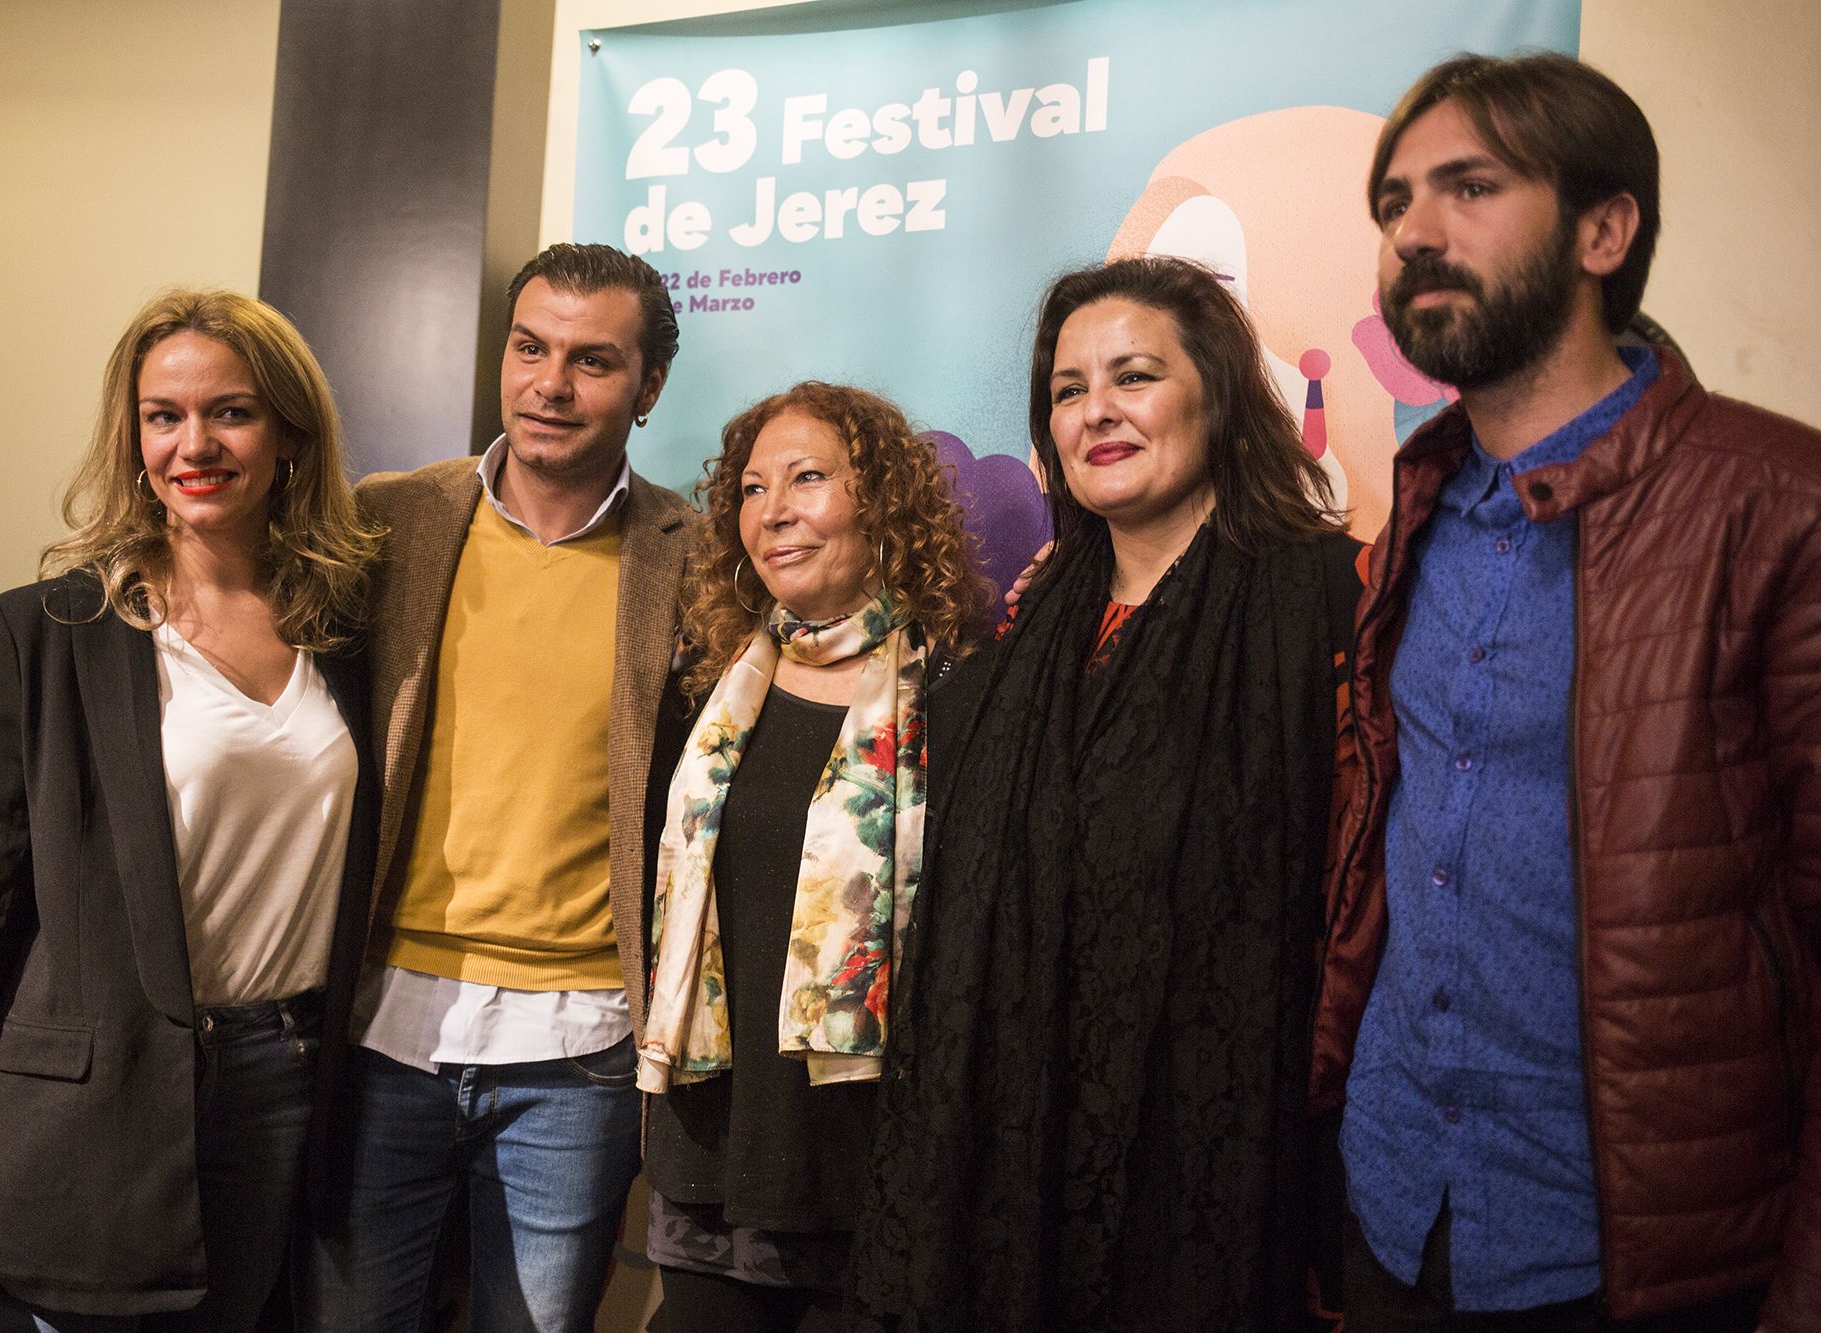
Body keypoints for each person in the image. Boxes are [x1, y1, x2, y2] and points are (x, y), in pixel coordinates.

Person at [1311, 52, 1821, 1331]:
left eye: (1468, 186)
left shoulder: (1779, 509)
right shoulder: (1411, 512)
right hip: (1386, 1215)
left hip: (1633, 1261)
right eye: (1391, 204)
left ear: (1603, 229)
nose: (1412, 235)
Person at [853, 255, 1362, 1332]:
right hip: (1012, 1172)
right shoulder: (1020, 642)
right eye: (1067, 390)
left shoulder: (1332, 602)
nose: (1096, 414)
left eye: (1132, 377)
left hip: (1221, 1178)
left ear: (1215, 394)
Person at [0, 289, 384, 1330]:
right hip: (96, 1115)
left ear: (288, 433)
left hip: (291, 1085)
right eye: (162, 415)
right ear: (132, 433)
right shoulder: (45, 637)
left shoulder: (350, 629)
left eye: (229, 411)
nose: (194, 443)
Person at [301, 243, 694, 1333]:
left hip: (578, 1054)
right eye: (529, 347)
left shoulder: (696, 559)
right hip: (384, 1029)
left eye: (592, 360)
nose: (549, 384)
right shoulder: (390, 520)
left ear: (648, 388)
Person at [635, 383, 991, 1330]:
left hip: (868, 1164)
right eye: (753, 489)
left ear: (880, 500)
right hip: (713, 1151)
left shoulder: (960, 690)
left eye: (808, 479)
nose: (775, 512)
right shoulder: (713, 692)